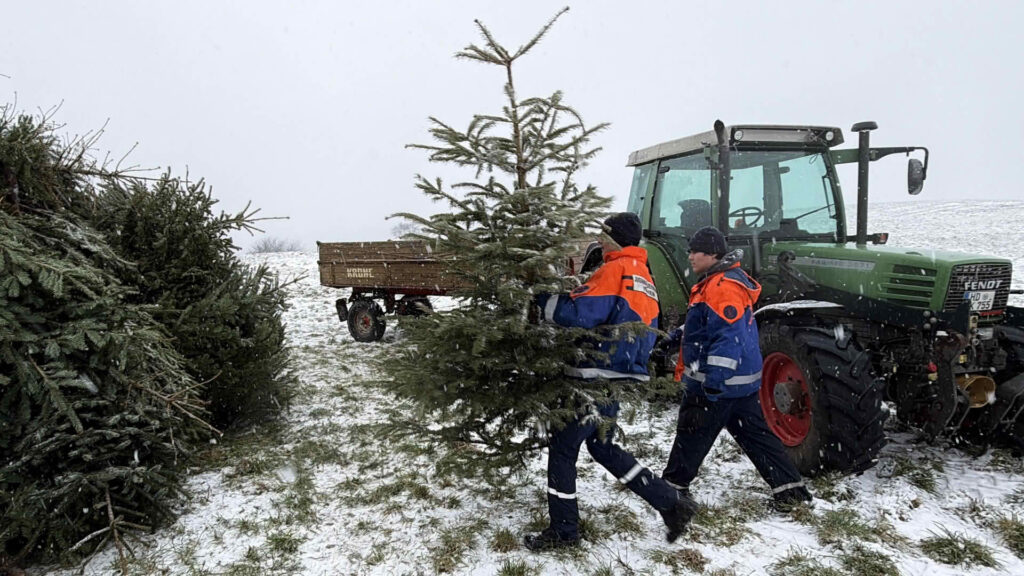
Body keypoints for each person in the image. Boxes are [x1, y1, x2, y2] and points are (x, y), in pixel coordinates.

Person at [524, 212, 698, 551]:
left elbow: (579, 313)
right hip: (619, 372)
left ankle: (564, 530)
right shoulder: (643, 274)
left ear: (614, 240)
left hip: (595, 372)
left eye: (604, 237)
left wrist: (541, 299)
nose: (601, 242)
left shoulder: (614, 269)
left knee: (563, 449)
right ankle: (671, 503)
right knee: (602, 447)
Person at [662, 226, 812, 519]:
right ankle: (791, 490)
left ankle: (671, 490)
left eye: (696, 251)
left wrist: (715, 381)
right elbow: (710, 324)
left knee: (692, 433)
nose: (690, 256)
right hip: (740, 384)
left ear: (713, 254)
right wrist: (679, 335)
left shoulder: (721, 287)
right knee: (757, 437)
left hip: (717, 384)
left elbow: (727, 337)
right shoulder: (721, 282)